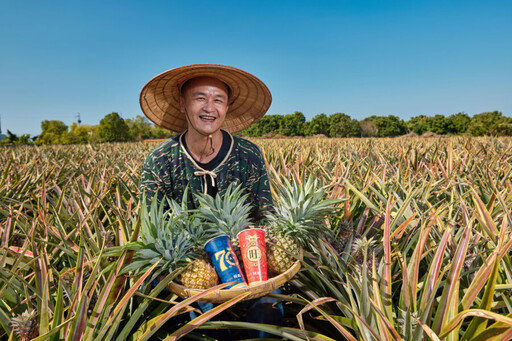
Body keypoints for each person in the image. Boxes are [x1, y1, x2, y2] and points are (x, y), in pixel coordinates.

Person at [139, 64, 282, 339]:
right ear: (182, 104)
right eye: (200, 97)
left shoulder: (248, 154)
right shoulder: (160, 161)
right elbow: (152, 231)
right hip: (191, 264)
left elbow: (265, 214)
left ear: (228, 107)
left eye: (218, 99)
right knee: (202, 315)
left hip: (247, 256)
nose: (209, 107)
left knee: (268, 305)